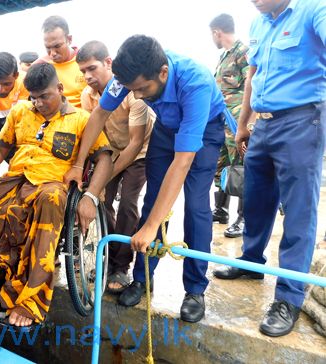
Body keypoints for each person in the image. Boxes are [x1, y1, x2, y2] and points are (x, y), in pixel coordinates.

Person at [65, 35, 234, 323]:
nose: (138, 96)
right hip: (166, 131)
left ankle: (194, 289)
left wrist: (152, 226)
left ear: (163, 73)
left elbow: (182, 163)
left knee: (196, 207)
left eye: (143, 89)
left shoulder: (195, 83)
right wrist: (78, 165)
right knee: (153, 201)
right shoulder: (126, 78)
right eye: (133, 90)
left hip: (203, 132)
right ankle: (143, 279)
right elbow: (99, 115)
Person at [213, 0, 325, 337]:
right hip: (262, 124)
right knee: (256, 197)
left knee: (298, 210)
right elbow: (253, 75)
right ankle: (251, 263)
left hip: (303, 120)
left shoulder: (314, 9)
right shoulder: (259, 23)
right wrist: (244, 123)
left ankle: (288, 297)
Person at [0, 63, 112, 327]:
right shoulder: (21, 111)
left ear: (59, 89)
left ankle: (31, 300)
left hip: (52, 185)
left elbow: (105, 160)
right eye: (33, 97)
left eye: (44, 96)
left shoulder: (81, 119)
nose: (38, 103)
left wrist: (91, 196)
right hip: (15, 180)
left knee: (50, 200)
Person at [76, 40, 155, 294]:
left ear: (108, 63)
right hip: (111, 151)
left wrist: (109, 173)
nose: (88, 76)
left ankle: (121, 266)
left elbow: (134, 143)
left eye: (92, 68)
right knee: (100, 201)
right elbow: (95, 134)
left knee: (128, 203)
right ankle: (107, 256)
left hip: (139, 152)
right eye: (83, 72)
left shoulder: (133, 91)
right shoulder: (87, 96)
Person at [209, 13, 250, 238]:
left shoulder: (243, 52)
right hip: (222, 123)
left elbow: (252, 87)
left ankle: (244, 218)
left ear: (217, 32)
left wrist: (248, 125)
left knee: (243, 169)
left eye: (212, 34)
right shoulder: (224, 57)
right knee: (222, 166)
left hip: (238, 124)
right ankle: (221, 210)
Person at [35, 15, 86, 108]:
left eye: (57, 46)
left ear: (69, 39)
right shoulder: (39, 66)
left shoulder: (86, 60)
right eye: (48, 48)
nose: (53, 53)